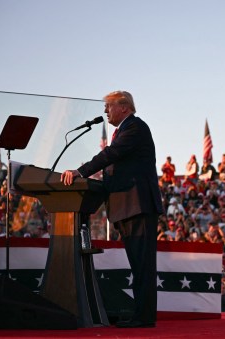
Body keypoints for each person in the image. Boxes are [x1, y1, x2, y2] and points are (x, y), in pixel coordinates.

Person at [61, 90, 163, 328]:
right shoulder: (125, 130)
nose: (105, 111)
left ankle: (144, 317)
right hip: (128, 206)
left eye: (109, 106)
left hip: (138, 206)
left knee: (142, 265)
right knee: (138, 264)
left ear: (124, 107)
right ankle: (141, 314)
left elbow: (111, 154)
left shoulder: (135, 128)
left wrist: (81, 172)